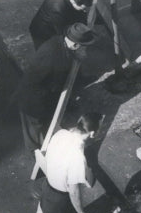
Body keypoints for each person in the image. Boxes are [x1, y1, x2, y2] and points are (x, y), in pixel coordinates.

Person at [14, 23, 97, 153]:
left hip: (44, 92)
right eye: (84, 47)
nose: (85, 50)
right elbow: (42, 82)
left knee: (45, 123)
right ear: (75, 45)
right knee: (35, 130)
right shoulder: (53, 58)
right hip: (32, 99)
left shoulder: (59, 41)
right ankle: (37, 153)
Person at [29, 0, 94, 50]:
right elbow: (62, 32)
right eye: (83, 8)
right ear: (74, 3)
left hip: (59, 17)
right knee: (52, 52)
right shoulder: (57, 10)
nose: (85, 11)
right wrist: (73, 40)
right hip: (42, 30)